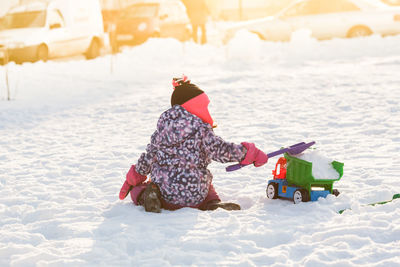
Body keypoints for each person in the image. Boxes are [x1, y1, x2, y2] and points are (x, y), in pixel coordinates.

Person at [119, 76, 268, 213]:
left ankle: (149, 195)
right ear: (196, 107)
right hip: (196, 194)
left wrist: (132, 179)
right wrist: (250, 152)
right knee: (207, 185)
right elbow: (222, 150)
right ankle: (212, 202)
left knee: (137, 190)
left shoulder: (161, 132)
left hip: (166, 195)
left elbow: (147, 160)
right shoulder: (202, 130)